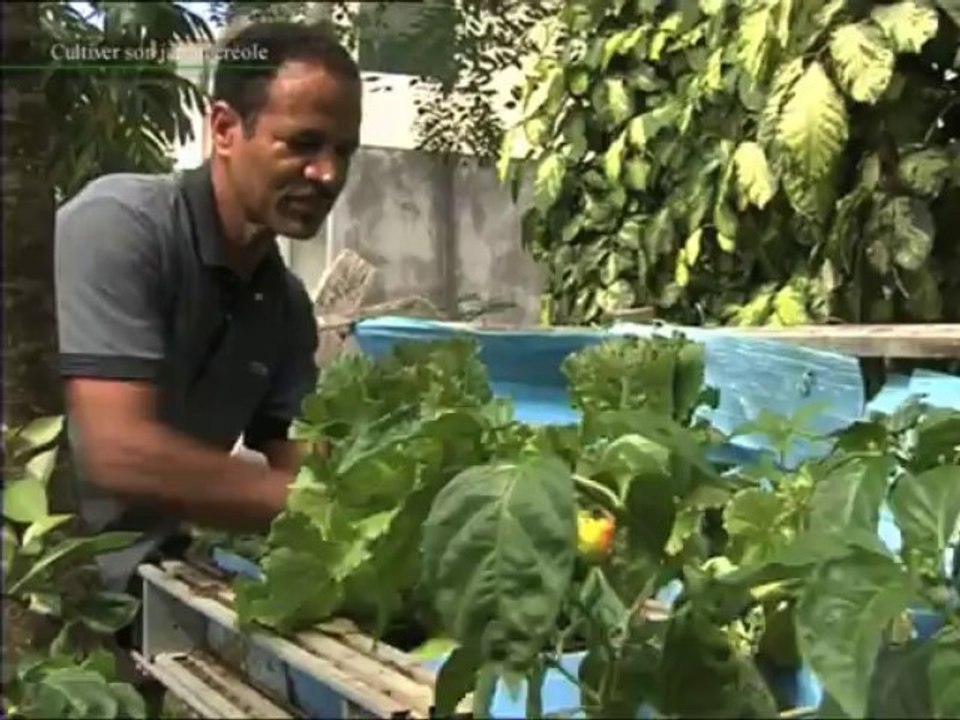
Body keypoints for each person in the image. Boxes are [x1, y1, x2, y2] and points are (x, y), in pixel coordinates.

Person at [53, 21, 362, 597]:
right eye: (303, 144)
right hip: (38, 590)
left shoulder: (285, 306)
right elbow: (114, 450)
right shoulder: (119, 227)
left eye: (343, 151)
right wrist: (305, 503)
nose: (328, 174)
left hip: (145, 595)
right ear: (223, 128)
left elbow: (307, 461)